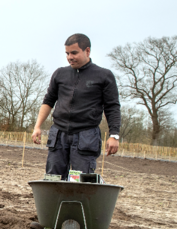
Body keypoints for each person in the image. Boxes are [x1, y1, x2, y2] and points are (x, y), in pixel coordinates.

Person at [31, 33, 121, 180]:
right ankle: (54, 203)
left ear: (87, 51)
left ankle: (77, 203)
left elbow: (112, 107)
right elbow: (48, 101)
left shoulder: (103, 76)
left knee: (79, 180)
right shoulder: (60, 74)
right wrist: (37, 126)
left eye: (74, 53)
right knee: (53, 177)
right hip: (59, 134)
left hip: (86, 136)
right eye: (67, 53)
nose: (69, 57)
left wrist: (114, 135)